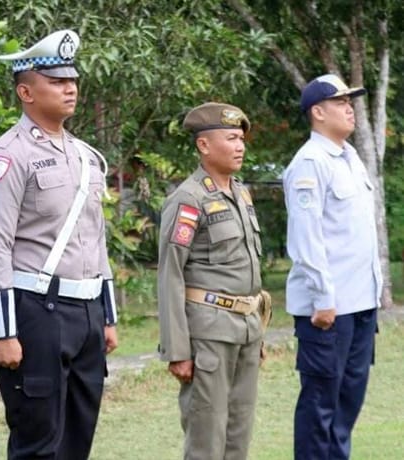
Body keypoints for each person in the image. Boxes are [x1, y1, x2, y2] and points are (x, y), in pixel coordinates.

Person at [0, 29, 118, 459]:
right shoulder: (7, 157)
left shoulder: (85, 156)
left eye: (71, 80)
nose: (69, 88)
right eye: (56, 81)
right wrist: (2, 331)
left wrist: (106, 315)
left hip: (86, 311)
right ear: (25, 92)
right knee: (38, 441)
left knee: (78, 437)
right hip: (36, 311)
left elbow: (95, 236)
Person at [157, 102, 269, 460]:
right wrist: (177, 351)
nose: (240, 146)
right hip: (208, 336)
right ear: (204, 146)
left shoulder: (240, 193)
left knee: (238, 436)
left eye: (241, 139)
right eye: (231, 138)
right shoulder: (188, 199)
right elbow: (170, 273)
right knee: (206, 439)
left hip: (246, 329)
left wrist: (258, 330)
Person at [284, 74, 382, 459]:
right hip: (329, 310)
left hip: (360, 304)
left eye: (350, 101)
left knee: (346, 406)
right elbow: (307, 241)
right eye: (341, 101)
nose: (349, 108)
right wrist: (324, 300)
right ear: (318, 112)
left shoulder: (350, 157)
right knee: (320, 406)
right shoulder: (309, 163)